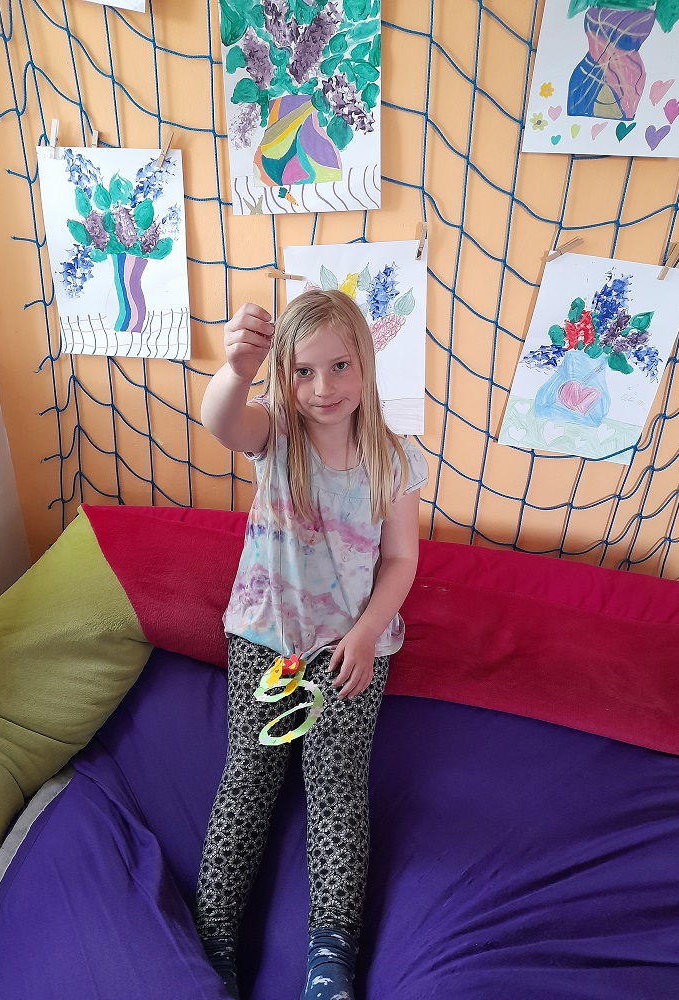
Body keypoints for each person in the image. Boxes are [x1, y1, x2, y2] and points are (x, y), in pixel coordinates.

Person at [196, 289, 428, 1000]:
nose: (323, 387)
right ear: (283, 376)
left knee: (336, 790)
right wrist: (237, 369)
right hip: (269, 640)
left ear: (366, 363)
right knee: (249, 780)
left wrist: (365, 633)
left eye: (339, 366)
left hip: (348, 651)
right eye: (303, 371)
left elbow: (401, 560)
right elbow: (221, 421)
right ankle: (213, 940)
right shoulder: (277, 435)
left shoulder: (395, 458)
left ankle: (330, 957)